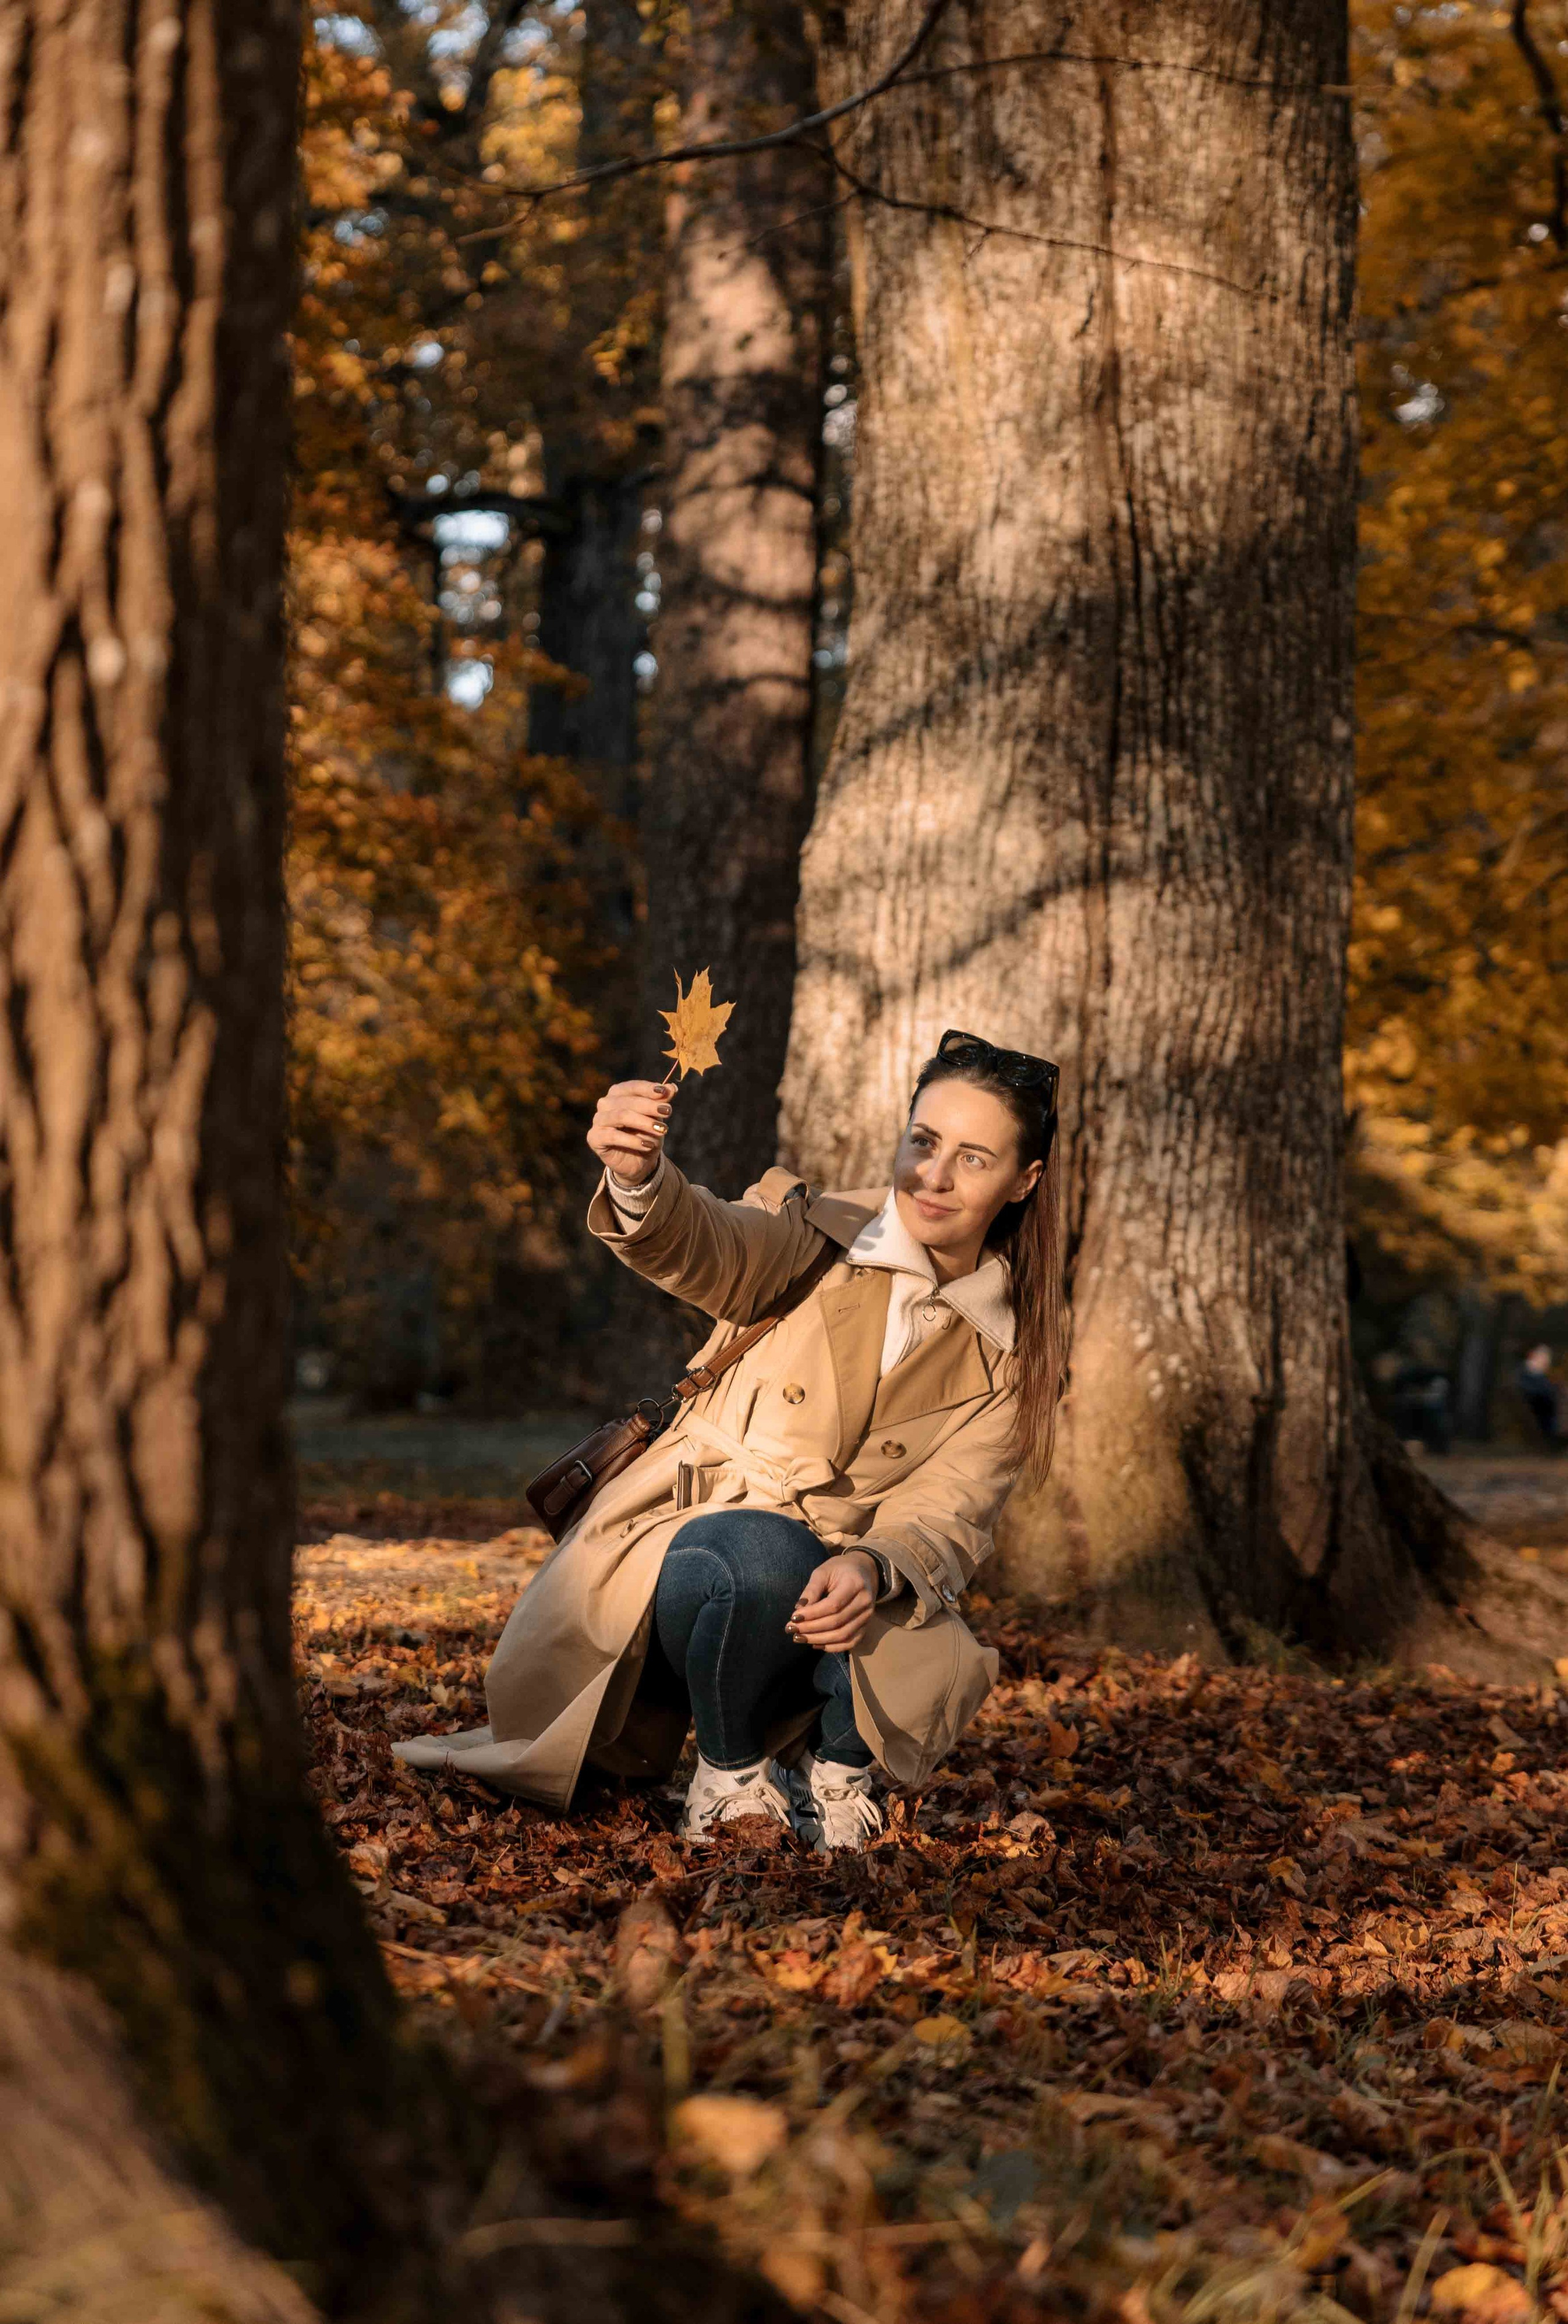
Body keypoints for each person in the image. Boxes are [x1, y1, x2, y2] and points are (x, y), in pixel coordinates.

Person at [394, 1030, 1066, 1853]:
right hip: (699, 1561)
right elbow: (706, 1240)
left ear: (1023, 1179)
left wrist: (874, 1563)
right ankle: (730, 1773)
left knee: (929, 1633)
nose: (931, 1175)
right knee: (760, 1556)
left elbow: (952, 1507)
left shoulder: (1012, 1353)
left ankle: (826, 1769)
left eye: (973, 1158)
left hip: (834, 1602)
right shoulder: (816, 1235)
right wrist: (640, 1180)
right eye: (923, 1141)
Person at [1517, 1343, 1562, 1446]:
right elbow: (1542, 1391)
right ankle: (1553, 1440)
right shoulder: (1531, 1371)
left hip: (1541, 1406)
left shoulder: (1535, 1372)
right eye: (1544, 1356)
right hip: (1538, 1406)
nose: (1547, 1361)